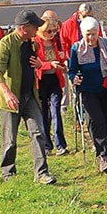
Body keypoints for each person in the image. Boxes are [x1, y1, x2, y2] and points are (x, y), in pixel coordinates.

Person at [0, 10, 56, 185]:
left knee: (38, 133)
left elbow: (37, 63)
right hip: (11, 100)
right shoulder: (6, 44)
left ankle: (41, 173)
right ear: (23, 28)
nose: (38, 29)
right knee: (10, 140)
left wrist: (40, 64)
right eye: (35, 26)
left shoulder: (33, 43)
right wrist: (7, 93)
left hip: (30, 96)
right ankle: (8, 175)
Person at [69, 16, 107, 173]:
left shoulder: (106, 44)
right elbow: (72, 70)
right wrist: (74, 78)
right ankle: (102, 156)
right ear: (82, 34)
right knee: (96, 121)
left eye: (94, 34)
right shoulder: (76, 48)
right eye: (88, 34)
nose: (91, 38)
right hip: (88, 91)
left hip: (106, 89)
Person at [34, 17, 69, 156]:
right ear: (41, 30)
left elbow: (61, 59)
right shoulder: (35, 43)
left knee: (56, 111)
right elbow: (35, 64)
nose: (52, 34)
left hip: (55, 79)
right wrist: (49, 64)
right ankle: (47, 145)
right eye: (49, 31)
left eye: (54, 31)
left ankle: (60, 144)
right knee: (44, 113)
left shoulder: (56, 41)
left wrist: (63, 61)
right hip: (41, 80)